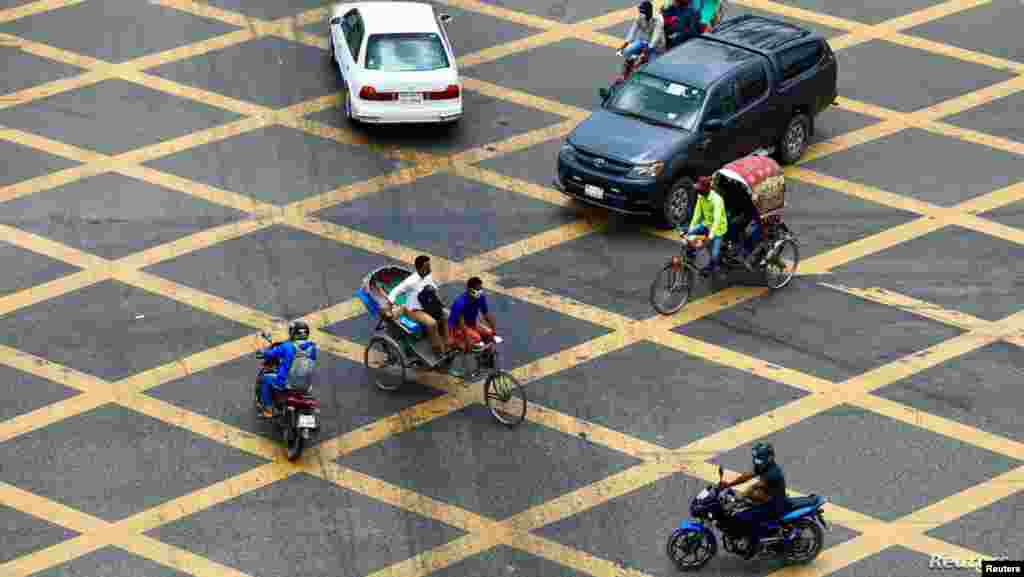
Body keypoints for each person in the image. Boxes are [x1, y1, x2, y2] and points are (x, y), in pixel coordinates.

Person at [718, 442, 788, 557]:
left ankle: (754, 546)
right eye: (756, 459)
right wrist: (729, 484)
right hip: (767, 496)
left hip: (774, 503)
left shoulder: (772, 473)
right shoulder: (764, 465)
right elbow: (747, 476)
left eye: (760, 459)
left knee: (747, 517)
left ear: (769, 458)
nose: (757, 462)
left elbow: (754, 487)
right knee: (744, 505)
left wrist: (741, 497)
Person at [387, 255, 449, 356]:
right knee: (432, 324)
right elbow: (395, 291)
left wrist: (440, 303)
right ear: (419, 268)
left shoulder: (428, 276)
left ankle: (447, 343)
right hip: (414, 311)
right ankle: (437, 350)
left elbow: (434, 290)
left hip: (428, 307)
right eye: (427, 267)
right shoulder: (410, 281)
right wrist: (389, 306)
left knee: (446, 316)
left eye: (429, 266)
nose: (429, 268)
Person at [258, 320, 319, 419]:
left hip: (286, 384)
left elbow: (270, 354)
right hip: (306, 386)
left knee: (266, 379)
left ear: (292, 333)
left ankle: (268, 410)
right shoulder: (313, 347)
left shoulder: (287, 346)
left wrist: (263, 353)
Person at [682, 175, 727, 276]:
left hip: (718, 229)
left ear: (707, 189)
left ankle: (710, 267)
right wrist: (690, 230)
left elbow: (717, 220)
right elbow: (696, 216)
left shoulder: (717, 200)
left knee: (714, 255)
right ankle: (690, 256)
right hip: (706, 224)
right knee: (688, 237)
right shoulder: (701, 197)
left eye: (700, 189)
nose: (698, 191)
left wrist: (710, 237)